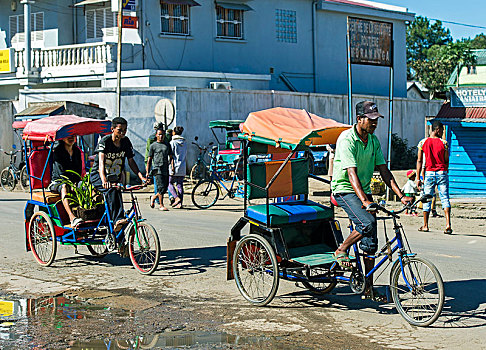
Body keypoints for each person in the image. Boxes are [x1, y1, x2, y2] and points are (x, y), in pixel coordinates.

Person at [331, 101, 412, 300]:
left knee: (370, 244)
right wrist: (365, 201)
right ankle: (341, 249)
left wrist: (401, 196)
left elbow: (384, 171)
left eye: (377, 120)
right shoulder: (347, 139)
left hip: (363, 191)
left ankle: (368, 287)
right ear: (359, 119)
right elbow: (351, 174)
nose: (375, 123)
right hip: (344, 190)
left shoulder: (373, 140)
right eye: (371, 119)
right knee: (366, 223)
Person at [91, 117, 147, 232]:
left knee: (117, 192)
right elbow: (101, 164)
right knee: (112, 190)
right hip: (98, 176)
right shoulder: (105, 142)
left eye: (125, 130)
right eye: (119, 130)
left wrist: (142, 177)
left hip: (114, 177)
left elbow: (131, 162)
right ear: (112, 129)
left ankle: (121, 242)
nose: (122, 133)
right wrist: (104, 180)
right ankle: (117, 220)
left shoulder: (125, 142)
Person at [416, 120, 452, 234]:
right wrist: (445, 169)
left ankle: (425, 225)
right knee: (445, 198)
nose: (442, 132)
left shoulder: (423, 142)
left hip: (429, 173)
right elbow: (446, 160)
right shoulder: (444, 143)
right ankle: (448, 224)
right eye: (442, 130)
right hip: (441, 172)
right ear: (437, 130)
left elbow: (419, 160)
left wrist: (418, 177)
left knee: (427, 198)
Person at [48, 136, 84, 227]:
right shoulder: (58, 152)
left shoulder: (77, 151)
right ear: (63, 138)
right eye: (68, 136)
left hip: (73, 181)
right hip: (58, 182)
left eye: (73, 136)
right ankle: (72, 218)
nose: (71, 138)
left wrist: (76, 183)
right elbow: (61, 173)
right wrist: (70, 184)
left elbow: (78, 170)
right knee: (64, 187)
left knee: (87, 186)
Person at [146, 127, 173, 211]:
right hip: (157, 169)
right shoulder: (153, 146)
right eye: (159, 134)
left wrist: (172, 166)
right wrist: (147, 171)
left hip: (165, 168)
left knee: (165, 187)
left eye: (162, 134)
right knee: (160, 186)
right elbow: (149, 159)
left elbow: (171, 156)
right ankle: (161, 205)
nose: (161, 136)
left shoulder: (167, 144)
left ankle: (154, 197)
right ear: (156, 135)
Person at [169, 126, 187, 209]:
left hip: (174, 166)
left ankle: (176, 198)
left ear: (174, 132)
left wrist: (171, 166)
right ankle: (180, 203)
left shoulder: (172, 143)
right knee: (180, 185)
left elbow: (171, 156)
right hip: (182, 166)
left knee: (169, 183)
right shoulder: (185, 142)